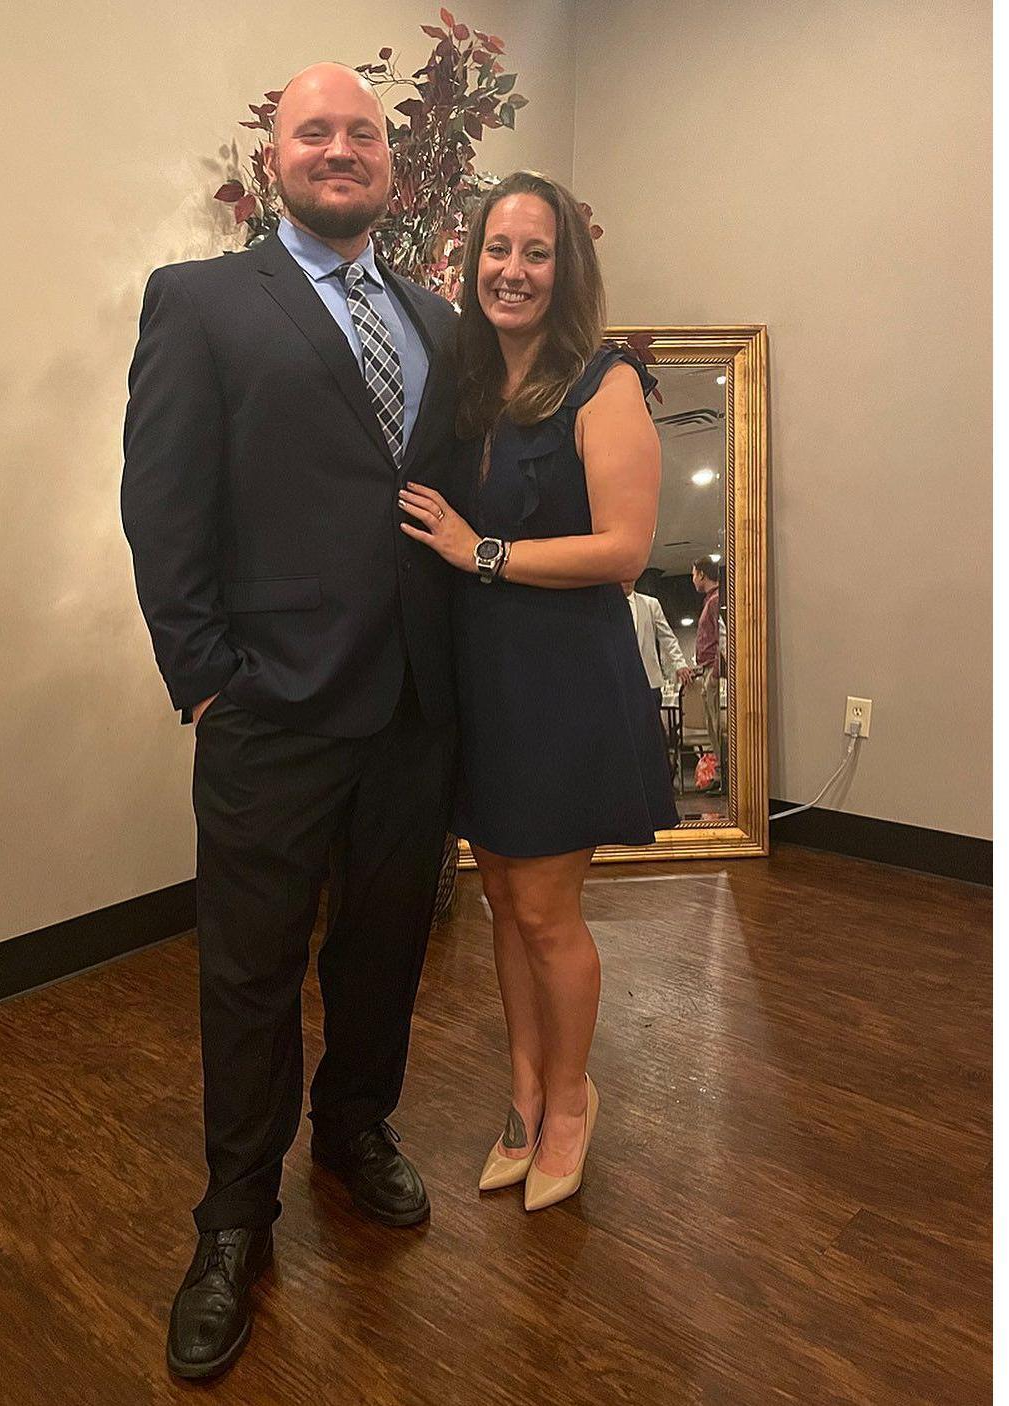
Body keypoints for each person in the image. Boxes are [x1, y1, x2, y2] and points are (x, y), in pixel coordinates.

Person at [120, 63, 459, 1381]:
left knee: (383, 948)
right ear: (275, 158)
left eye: (361, 132)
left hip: (412, 707)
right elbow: (162, 502)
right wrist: (205, 675)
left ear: (389, 162)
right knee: (249, 971)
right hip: (268, 708)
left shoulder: (434, 316)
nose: (340, 147)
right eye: (314, 130)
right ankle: (233, 1214)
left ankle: (354, 1126)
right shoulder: (201, 300)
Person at [398, 171, 679, 1213]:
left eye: (535, 252)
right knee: (502, 900)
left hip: (563, 680)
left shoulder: (601, 382)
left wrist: (482, 553)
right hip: (484, 679)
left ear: (567, 270)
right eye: (497, 249)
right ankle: (521, 1089)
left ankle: (569, 1100)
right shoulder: (469, 388)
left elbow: (624, 548)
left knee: (546, 910)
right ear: (473, 262)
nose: (511, 270)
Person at [623, 580, 692, 705]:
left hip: (650, 680)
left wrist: (679, 663)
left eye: (630, 578)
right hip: (622, 681)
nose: (627, 582)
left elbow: (667, 636)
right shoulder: (607, 607)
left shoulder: (651, 604)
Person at [691, 557, 725, 795]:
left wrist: (715, 671)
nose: (693, 579)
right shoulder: (711, 601)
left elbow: (723, 637)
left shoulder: (715, 601)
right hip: (708, 668)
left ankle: (725, 776)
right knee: (712, 727)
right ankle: (721, 774)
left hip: (713, 669)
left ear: (702, 574)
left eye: (694, 574)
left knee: (716, 725)